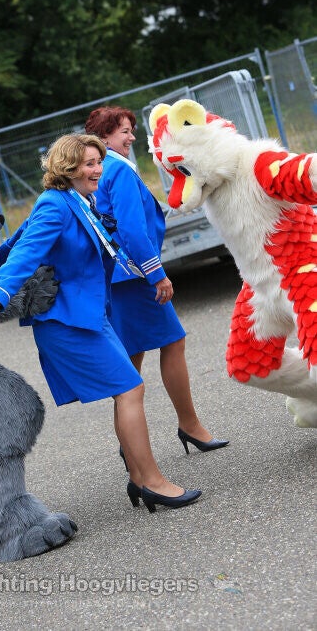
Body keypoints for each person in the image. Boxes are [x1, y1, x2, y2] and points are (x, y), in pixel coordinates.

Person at [0, 133, 201, 511]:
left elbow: (20, 235)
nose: (98, 170)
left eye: (99, 162)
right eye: (90, 163)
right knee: (130, 388)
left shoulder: (76, 199)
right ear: (68, 167)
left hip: (91, 315)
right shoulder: (55, 204)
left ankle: (140, 479)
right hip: (67, 321)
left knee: (128, 389)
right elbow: (28, 250)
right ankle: (151, 481)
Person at [84, 106, 229, 458]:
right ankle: (188, 426)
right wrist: (157, 274)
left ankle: (131, 444)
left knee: (131, 361)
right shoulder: (117, 169)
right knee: (172, 343)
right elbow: (132, 229)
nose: (132, 137)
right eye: (124, 131)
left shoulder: (99, 170)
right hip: (135, 275)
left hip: (117, 275)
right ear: (103, 136)